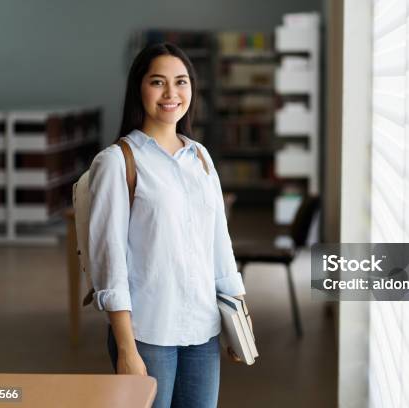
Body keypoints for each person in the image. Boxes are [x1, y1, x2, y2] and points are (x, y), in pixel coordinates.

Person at [88, 42, 252, 408]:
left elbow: (219, 245)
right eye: (158, 82)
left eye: (181, 82)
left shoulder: (201, 158)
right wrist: (127, 350)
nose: (171, 93)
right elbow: (109, 264)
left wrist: (239, 316)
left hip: (203, 329)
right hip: (147, 333)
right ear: (139, 89)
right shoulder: (116, 162)